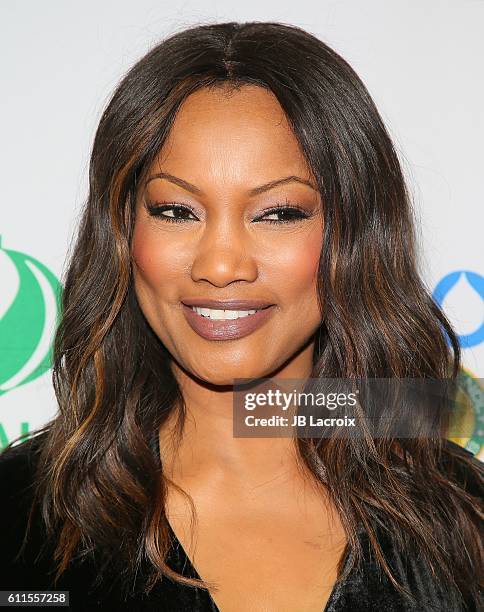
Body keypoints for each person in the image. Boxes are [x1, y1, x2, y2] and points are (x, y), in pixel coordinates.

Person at [1, 20, 482, 612]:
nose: (221, 264)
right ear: (123, 230)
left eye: (277, 213)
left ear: (354, 234)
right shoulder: (18, 515)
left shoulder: (464, 518)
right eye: (176, 210)